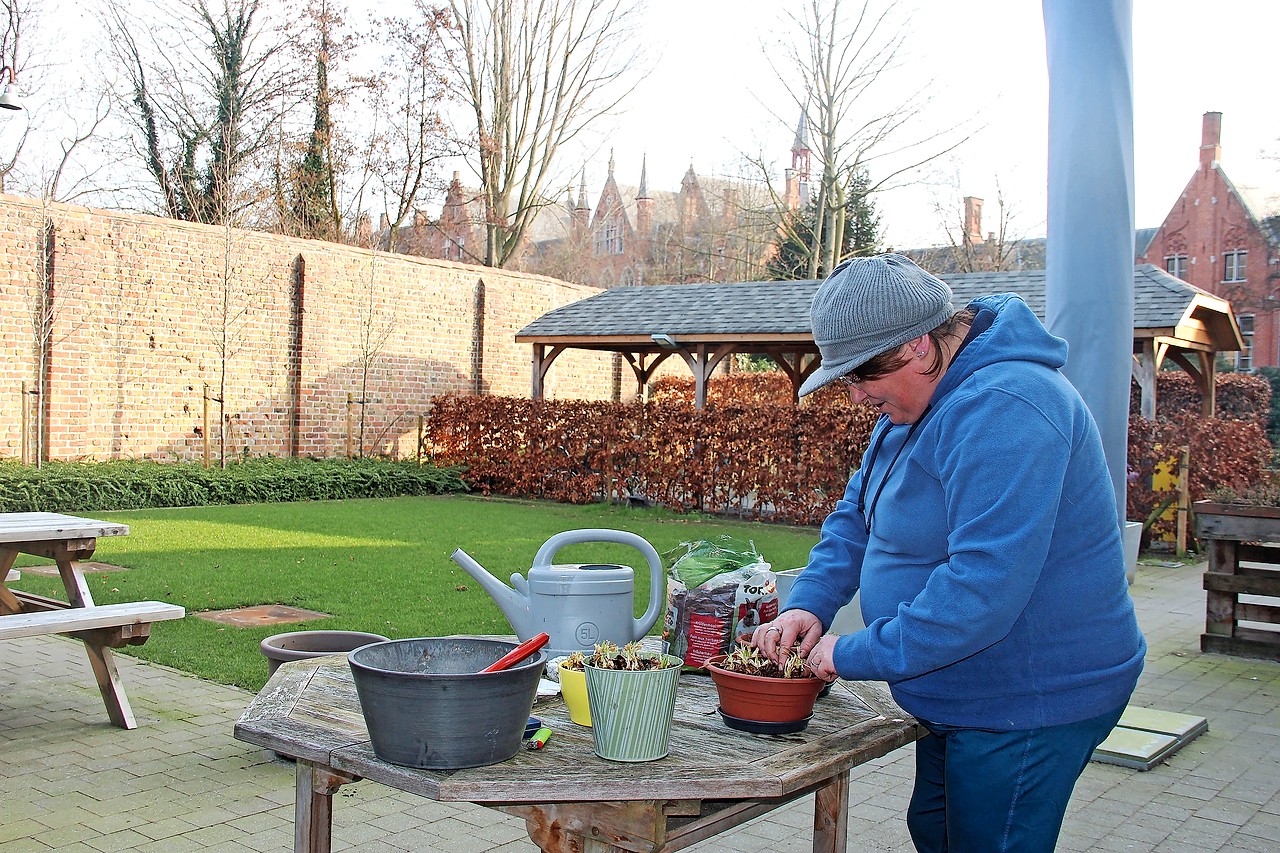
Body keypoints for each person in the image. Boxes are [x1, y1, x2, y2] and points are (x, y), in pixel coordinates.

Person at [752, 253, 1146, 853]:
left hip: (1027, 697)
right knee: (935, 830)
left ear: (916, 347)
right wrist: (809, 605)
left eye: (861, 378)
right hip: (953, 684)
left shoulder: (1010, 407)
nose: (856, 398)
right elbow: (856, 518)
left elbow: (981, 588)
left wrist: (849, 654)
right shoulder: (914, 404)